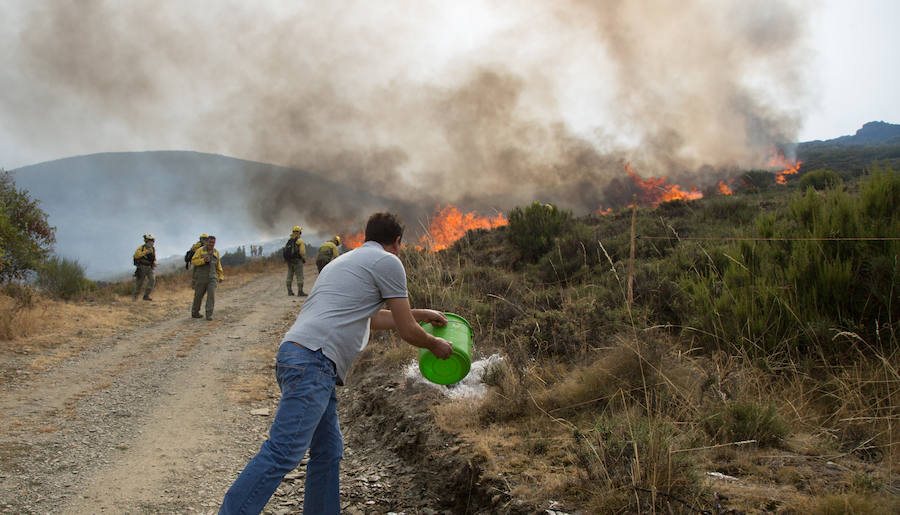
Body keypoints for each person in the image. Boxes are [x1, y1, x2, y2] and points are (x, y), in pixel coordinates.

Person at [219, 212, 454, 514]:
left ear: (367, 235)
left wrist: (421, 313)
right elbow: (407, 331)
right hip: (314, 361)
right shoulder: (389, 262)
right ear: (397, 242)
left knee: (328, 451)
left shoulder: (344, 261)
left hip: (299, 354)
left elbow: (369, 317)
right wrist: (435, 344)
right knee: (283, 452)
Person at [191, 235, 224, 320]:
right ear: (207, 242)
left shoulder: (216, 252)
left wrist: (220, 276)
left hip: (212, 277)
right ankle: (195, 312)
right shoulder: (200, 251)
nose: (211, 244)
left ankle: (209, 315)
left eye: (213, 242)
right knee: (198, 296)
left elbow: (218, 265)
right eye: (210, 242)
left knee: (211, 296)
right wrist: (202, 261)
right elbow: (193, 261)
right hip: (201, 277)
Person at [132, 234, 157, 301]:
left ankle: (146, 296)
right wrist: (145, 252)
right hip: (142, 267)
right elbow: (136, 255)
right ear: (147, 241)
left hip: (150, 267)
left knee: (152, 280)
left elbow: (154, 258)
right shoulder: (141, 248)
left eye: (153, 241)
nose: (152, 242)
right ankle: (135, 297)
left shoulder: (153, 249)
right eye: (151, 241)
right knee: (139, 282)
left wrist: (154, 263)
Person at [284, 225, 307, 296]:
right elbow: (302, 252)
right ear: (300, 232)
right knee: (299, 275)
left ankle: (289, 291)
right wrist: (303, 259)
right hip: (297, 260)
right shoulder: (299, 241)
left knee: (289, 274)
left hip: (289, 261)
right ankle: (300, 291)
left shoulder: (289, 241)